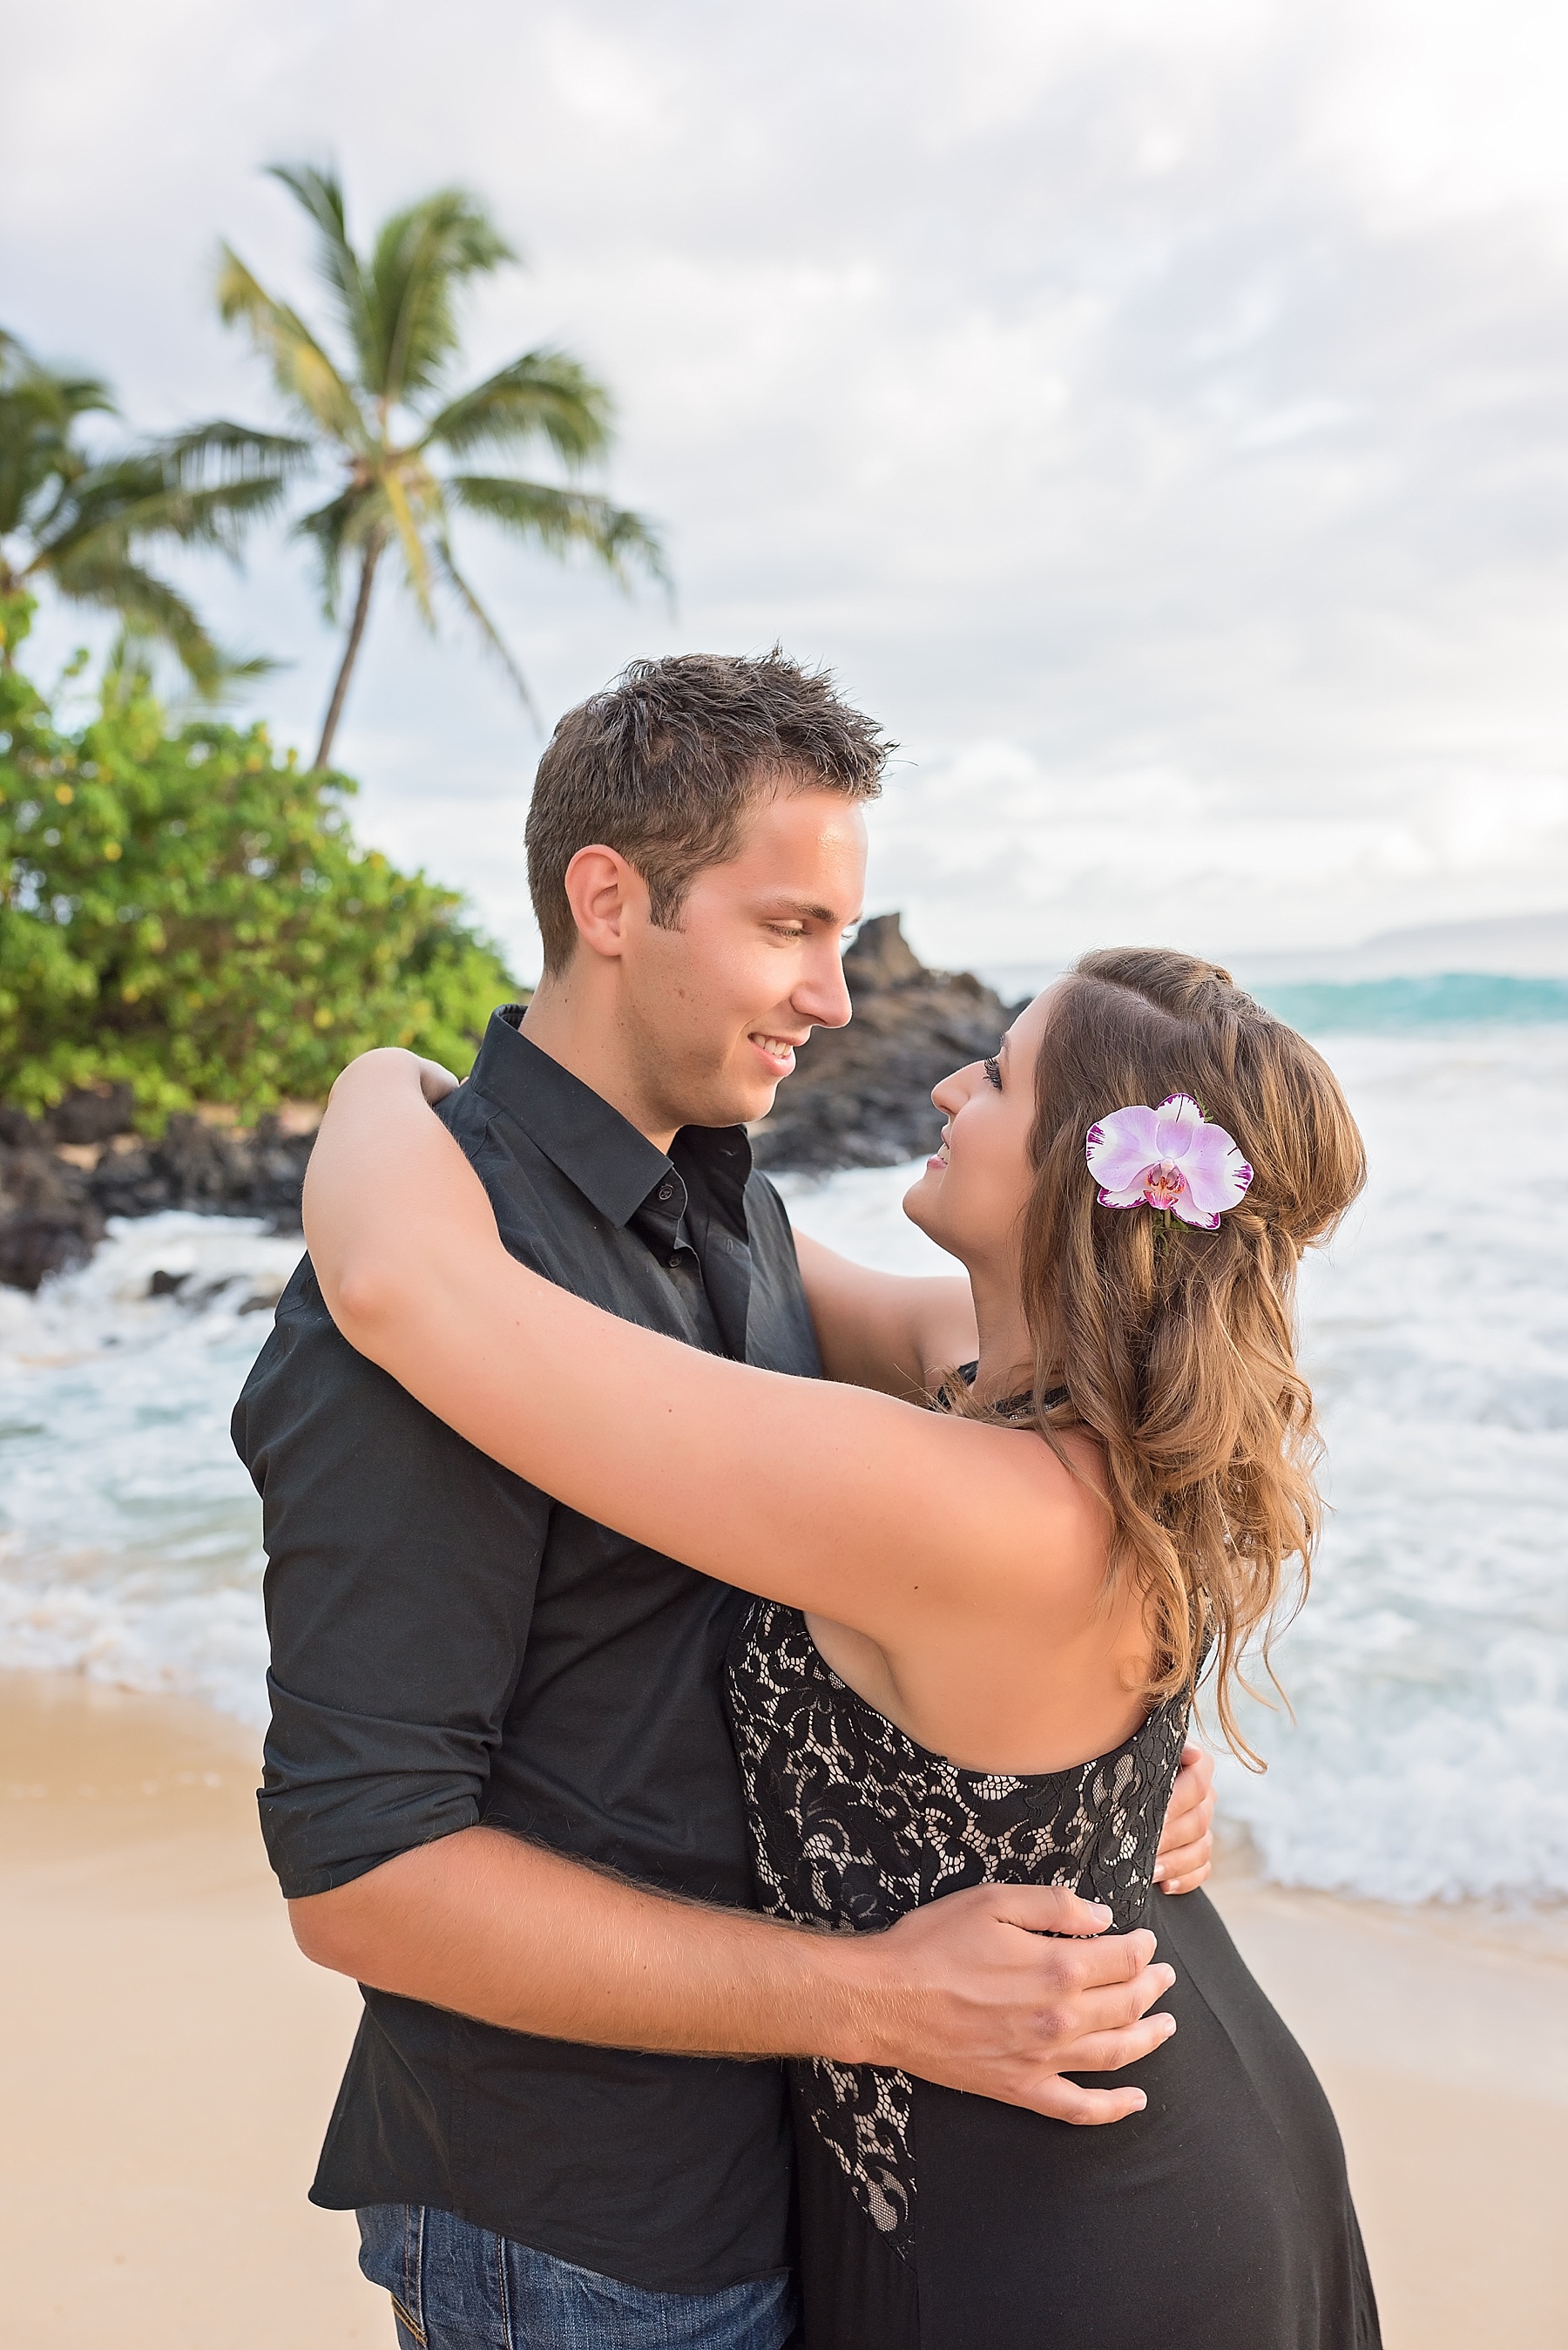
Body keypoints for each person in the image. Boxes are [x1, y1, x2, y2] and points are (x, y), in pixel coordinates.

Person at [233, 653, 1212, 2350]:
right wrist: (884, 1997)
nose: (837, 996)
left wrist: (1093, 1765)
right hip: (585, 2228)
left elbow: (1012, 1410)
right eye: (789, 927)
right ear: (609, 900)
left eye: (845, 932)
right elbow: (364, 1873)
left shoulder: (719, 1201)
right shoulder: (434, 1279)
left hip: (794, 2167)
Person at [300, 944, 1381, 2349]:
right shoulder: (1060, 1395)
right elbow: (723, 1248)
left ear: (1076, 1182)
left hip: (1069, 2221)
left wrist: (384, 1079)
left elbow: (401, 1288)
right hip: (1135, 2107)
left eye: (995, 1076)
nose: (944, 1082)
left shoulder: (979, 1506)